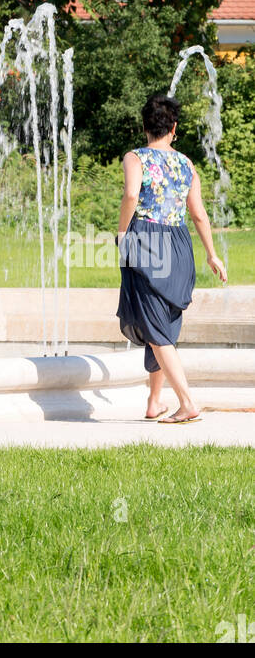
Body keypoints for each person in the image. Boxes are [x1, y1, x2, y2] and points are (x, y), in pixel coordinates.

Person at [116, 93, 227, 424]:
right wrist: (212, 254)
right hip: (179, 244)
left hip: (147, 240)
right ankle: (154, 402)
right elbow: (199, 214)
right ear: (174, 127)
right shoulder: (186, 163)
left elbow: (132, 194)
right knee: (160, 321)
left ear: (145, 125)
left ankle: (187, 403)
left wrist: (122, 234)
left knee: (155, 326)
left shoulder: (135, 158)